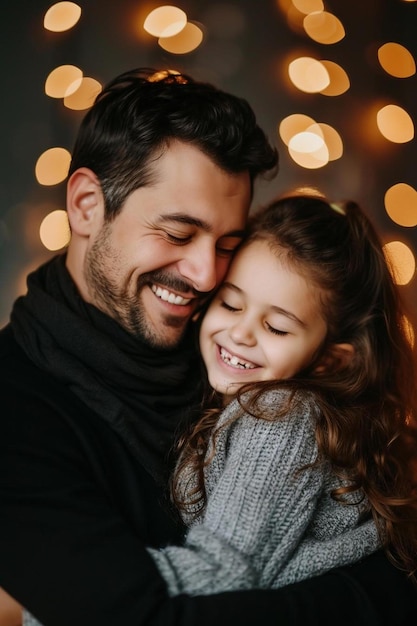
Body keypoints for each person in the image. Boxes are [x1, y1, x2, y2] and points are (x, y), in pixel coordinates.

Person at [0, 67, 415, 626]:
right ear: (85, 205)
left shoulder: (241, 363)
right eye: (176, 233)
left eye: (227, 244)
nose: (203, 275)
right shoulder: (15, 411)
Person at [145, 194, 417, 595]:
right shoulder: (248, 404)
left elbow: (223, 568)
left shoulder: (279, 414)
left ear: (328, 360)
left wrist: (79, 592)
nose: (240, 333)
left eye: (276, 328)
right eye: (231, 304)